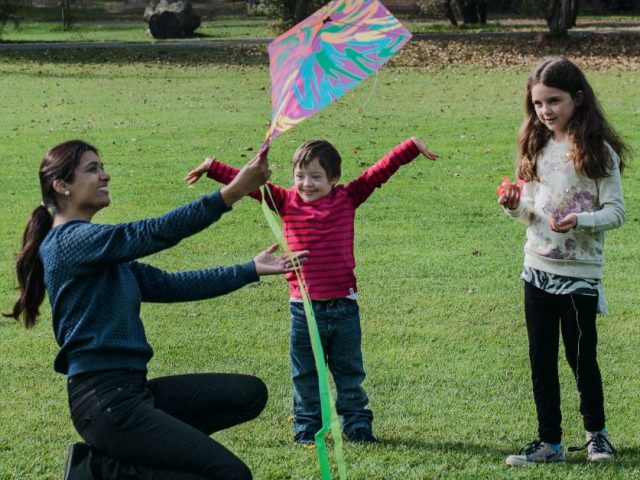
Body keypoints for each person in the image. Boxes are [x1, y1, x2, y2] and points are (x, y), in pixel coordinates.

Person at [4, 140, 308, 480]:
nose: (105, 175)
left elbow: (173, 285)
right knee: (229, 475)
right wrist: (232, 192)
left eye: (101, 166)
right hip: (105, 403)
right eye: (92, 169)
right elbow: (153, 232)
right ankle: (100, 470)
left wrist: (249, 269)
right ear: (62, 186)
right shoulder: (68, 242)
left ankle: (118, 464)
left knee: (248, 395)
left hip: (132, 391)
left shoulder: (100, 254)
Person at [185, 137, 439, 445]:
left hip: (344, 307)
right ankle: (306, 429)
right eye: (300, 176)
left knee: (349, 373)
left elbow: (379, 172)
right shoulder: (284, 200)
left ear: (334, 179)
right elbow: (248, 184)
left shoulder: (347, 197)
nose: (307, 184)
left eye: (317, 177)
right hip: (303, 310)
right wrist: (213, 168)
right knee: (305, 374)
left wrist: (411, 146)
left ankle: (357, 426)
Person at [498, 57, 629, 466]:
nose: (545, 111)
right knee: (541, 359)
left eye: (553, 101)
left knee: (580, 357)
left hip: (579, 277)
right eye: (537, 104)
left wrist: (580, 221)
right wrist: (514, 206)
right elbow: (531, 211)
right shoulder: (536, 145)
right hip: (537, 269)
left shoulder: (598, 152)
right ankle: (549, 442)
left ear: (577, 98)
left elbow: (617, 213)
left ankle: (597, 436)